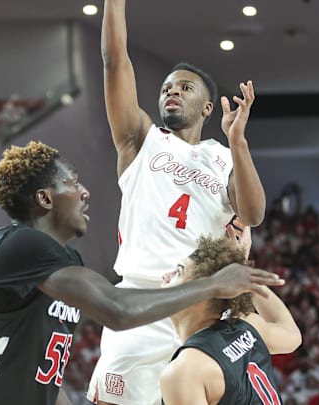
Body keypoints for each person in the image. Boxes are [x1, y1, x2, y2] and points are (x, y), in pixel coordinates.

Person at [0, 141, 281, 405]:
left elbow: (41, 379)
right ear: (45, 199)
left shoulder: (63, 264)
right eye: (73, 183)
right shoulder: (19, 245)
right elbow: (117, 309)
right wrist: (213, 284)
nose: (85, 192)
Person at [89, 0, 266, 403]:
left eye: (185, 88)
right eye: (167, 88)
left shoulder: (222, 157)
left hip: (199, 308)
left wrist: (237, 141)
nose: (172, 92)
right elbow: (115, 62)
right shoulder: (140, 140)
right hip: (139, 299)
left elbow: (253, 213)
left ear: (207, 107)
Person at [160, 223, 301, 404]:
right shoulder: (249, 326)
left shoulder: (185, 371)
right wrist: (244, 273)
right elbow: (293, 335)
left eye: (178, 272)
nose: (166, 276)